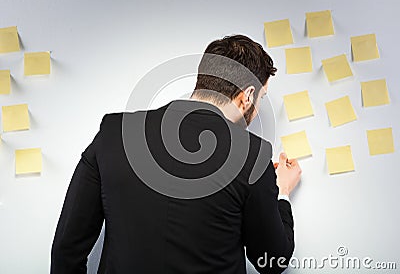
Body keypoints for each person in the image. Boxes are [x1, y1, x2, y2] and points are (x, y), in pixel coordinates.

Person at [51, 34, 301, 274]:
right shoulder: (253, 155)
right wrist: (282, 193)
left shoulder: (114, 132)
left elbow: (67, 248)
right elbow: (271, 261)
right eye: (261, 97)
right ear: (247, 96)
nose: (257, 109)